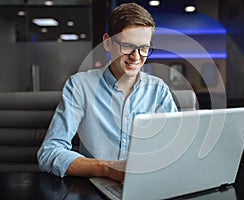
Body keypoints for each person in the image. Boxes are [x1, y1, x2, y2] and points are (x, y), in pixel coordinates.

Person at [37, 3, 178, 182]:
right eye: (127, 46)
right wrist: (107, 168)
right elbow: (49, 153)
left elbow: (175, 150)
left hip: (147, 186)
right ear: (107, 42)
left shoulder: (158, 90)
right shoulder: (80, 86)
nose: (136, 57)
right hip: (95, 187)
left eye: (144, 48)